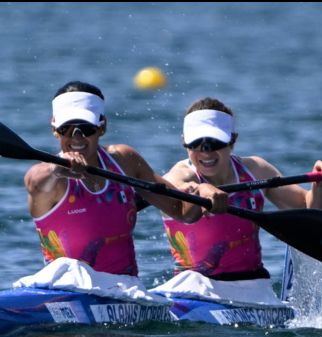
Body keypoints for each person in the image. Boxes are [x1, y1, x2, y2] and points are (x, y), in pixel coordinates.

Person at [24, 82, 227, 277]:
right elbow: (34, 181)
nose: (77, 138)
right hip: (67, 288)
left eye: (86, 129)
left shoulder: (125, 161)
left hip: (124, 290)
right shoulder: (50, 178)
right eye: (66, 129)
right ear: (54, 129)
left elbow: (182, 212)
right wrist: (56, 169)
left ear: (102, 127)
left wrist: (202, 192)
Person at [160, 97, 322, 282]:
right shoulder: (178, 177)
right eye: (196, 143)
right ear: (184, 142)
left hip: (252, 286)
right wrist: (204, 189)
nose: (206, 152)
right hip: (194, 287)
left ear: (232, 140)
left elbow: (312, 213)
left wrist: (321, 184)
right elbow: (181, 201)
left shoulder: (256, 170)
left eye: (215, 142)